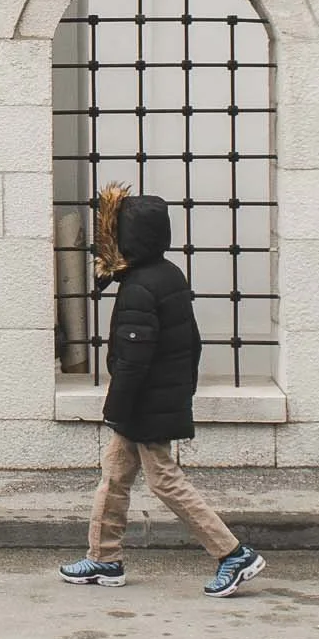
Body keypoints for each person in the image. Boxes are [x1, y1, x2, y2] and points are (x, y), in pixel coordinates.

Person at [60, 185, 264, 596]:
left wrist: (115, 409)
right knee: (115, 476)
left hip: (145, 404)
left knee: (164, 481)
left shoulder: (140, 288)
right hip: (157, 397)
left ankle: (232, 553)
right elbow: (192, 343)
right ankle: (104, 558)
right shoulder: (166, 274)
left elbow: (133, 361)